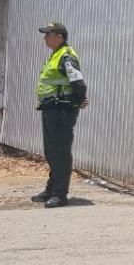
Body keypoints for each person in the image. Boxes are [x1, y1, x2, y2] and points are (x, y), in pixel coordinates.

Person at [30, 22, 88, 208]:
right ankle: (51, 188)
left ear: (59, 37)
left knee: (60, 151)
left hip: (62, 109)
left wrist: (78, 101)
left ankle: (59, 194)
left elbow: (78, 82)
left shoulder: (66, 57)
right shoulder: (56, 55)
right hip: (51, 108)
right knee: (51, 151)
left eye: (48, 34)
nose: (44, 37)